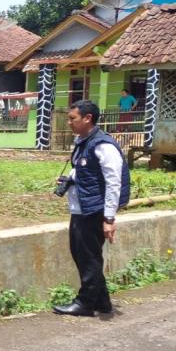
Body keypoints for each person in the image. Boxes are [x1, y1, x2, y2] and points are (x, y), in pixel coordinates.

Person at [53, 100, 130, 317]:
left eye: (72, 118)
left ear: (88, 118)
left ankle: (85, 303)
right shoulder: (83, 142)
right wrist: (68, 180)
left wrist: (109, 219)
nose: (69, 122)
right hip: (80, 208)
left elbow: (114, 183)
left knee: (88, 257)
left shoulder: (103, 146)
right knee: (83, 255)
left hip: (93, 210)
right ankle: (102, 302)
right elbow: (83, 171)